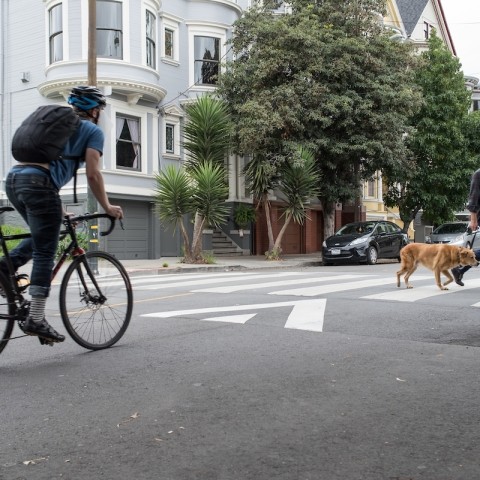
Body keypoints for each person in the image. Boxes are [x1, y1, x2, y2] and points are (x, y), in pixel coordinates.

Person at [2, 86, 124, 343]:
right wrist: (107, 207)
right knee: (46, 250)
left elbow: (47, 168)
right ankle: (36, 317)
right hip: (39, 185)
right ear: (94, 110)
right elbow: (93, 173)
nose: (100, 114)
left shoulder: (53, 129)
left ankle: (5, 268)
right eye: (100, 109)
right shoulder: (92, 130)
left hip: (14, 180)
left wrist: (59, 211)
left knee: (44, 234)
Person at [452, 168, 480, 287]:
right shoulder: (478, 174)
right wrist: (473, 219)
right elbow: (473, 197)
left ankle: (459, 268)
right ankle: (459, 267)